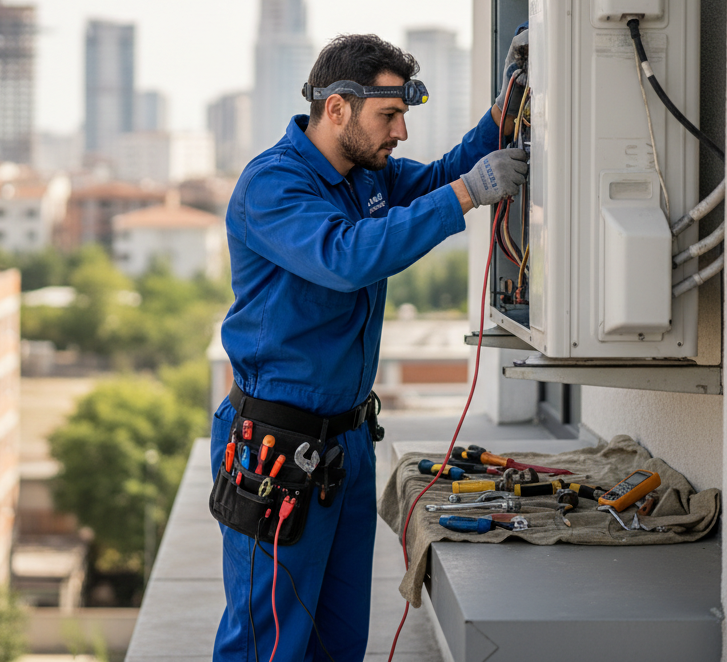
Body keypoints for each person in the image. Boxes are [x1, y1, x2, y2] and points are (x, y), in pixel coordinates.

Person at [211, 33, 527, 660]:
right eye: (389, 116)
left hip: (346, 444)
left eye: (404, 116)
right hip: (278, 448)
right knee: (269, 640)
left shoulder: (364, 176)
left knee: (339, 632)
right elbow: (345, 256)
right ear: (336, 109)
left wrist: (506, 106)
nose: (401, 133)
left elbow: (443, 175)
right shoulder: (275, 186)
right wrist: (468, 195)